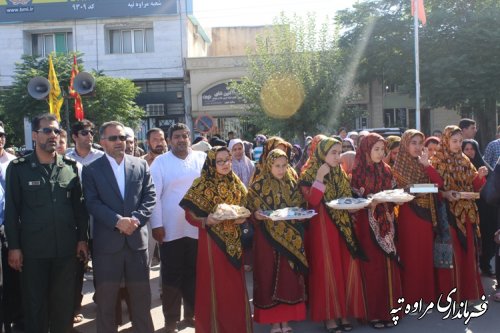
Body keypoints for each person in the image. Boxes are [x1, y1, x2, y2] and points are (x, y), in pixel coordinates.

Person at [5, 113, 89, 333]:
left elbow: (79, 208)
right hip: (33, 251)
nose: (53, 135)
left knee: (63, 304)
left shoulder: (70, 167)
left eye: (56, 131)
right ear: (35, 135)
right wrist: (14, 247)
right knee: (35, 305)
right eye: (47, 131)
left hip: (65, 250)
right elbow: (12, 210)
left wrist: (82, 239)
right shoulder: (19, 167)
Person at [82, 121, 156, 333]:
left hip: (136, 242)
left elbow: (150, 197)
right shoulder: (91, 170)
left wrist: (135, 219)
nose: (119, 142)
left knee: (141, 299)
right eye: (113, 138)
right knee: (106, 301)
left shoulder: (140, 165)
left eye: (122, 138)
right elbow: (92, 202)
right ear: (102, 142)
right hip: (107, 246)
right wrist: (117, 221)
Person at [179, 146, 253, 333]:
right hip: (212, 244)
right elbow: (189, 215)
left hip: (235, 242)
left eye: (227, 160)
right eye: (219, 161)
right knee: (215, 287)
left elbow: (246, 206)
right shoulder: (202, 183)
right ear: (211, 162)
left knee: (234, 289)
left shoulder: (235, 181)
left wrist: (244, 217)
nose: (225, 164)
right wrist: (206, 220)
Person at [299, 138, 366, 333]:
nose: (338, 157)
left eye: (339, 152)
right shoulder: (310, 172)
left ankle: (343, 313)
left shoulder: (340, 172)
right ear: (322, 153)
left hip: (343, 225)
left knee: (345, 267)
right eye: (333, 153)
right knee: (327, 268)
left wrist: (356, 202)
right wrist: (319, 178)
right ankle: (329, 316)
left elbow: (345, 198)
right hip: (322, 227)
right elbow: (312, 201)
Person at [150, 123, 206, 333]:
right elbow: (154, 197)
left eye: (184, 136)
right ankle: (171, 321)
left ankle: (190, 315)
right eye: (176, 136)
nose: (181, 139)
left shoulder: (201, 159)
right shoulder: (160, 163)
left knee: (194, 275)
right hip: (170, 230)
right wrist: (157, 225)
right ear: (170, 140)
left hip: (197, 229)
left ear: (190, 137)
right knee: (172, 278)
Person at [247, 149, 308, 333]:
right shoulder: (257, 186)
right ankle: (274, 322)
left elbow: (300, 206)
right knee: (268, 276)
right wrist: (255, 215)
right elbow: (249, 210)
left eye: (284, 165)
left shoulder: (292, 183)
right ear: (268, 166)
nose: (281, 170)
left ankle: (286, 320)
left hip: (290, 239)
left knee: (288, 278)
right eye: (277, 166)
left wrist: (301, 214)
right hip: (267, 240)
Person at [350, 133, 402, 329]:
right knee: (373, 267)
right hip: (366, 225)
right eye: (376, 149)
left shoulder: (387, 170)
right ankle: (373, 313)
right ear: (366, 149)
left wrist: (396, 198)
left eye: (382, 149)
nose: (381, 153)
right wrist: (372, 201)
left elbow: (394, 191)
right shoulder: (357, 172)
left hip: (387, 223)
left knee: (389, 263)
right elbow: (355, 201)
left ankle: (389, 311)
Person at [431, 125, 488, 302]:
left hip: (467, 213)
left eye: (460, 141)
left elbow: (475, 187)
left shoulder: (464, 160)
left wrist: (480, 175)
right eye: (454, 141)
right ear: (446, 141)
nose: (457, 145)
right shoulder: (437, 161)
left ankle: (468, 294)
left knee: (467, 253)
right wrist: (445, 194)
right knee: (452, 253)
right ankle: (451, 296)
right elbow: (435, 189)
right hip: (448, 213)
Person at [392, 130, 442, 306]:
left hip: (427, 215)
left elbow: (439, 184)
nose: (418, 147)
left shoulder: (424, 163)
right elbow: (400, 190)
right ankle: (411, 298)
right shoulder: (398, 165)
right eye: (413, 143)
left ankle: (427, 297)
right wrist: (418, 188)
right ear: (405, 144)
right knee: (411, 255)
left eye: (420, 143)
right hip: (409, 214)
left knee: (425, 255)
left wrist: (427, 165)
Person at [462, 139, 497, 276]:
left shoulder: (484, 166)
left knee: (490, 236)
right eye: (467, 149)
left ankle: (485, 264)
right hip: (470, 208)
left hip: (487, 208)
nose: (470, 152)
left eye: (472, 149)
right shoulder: (460, 166)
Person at [0, 122, 21, 332]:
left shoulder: (14, 163)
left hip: (9, 229)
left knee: (11, 280)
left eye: (2, 135)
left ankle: (11, 320)